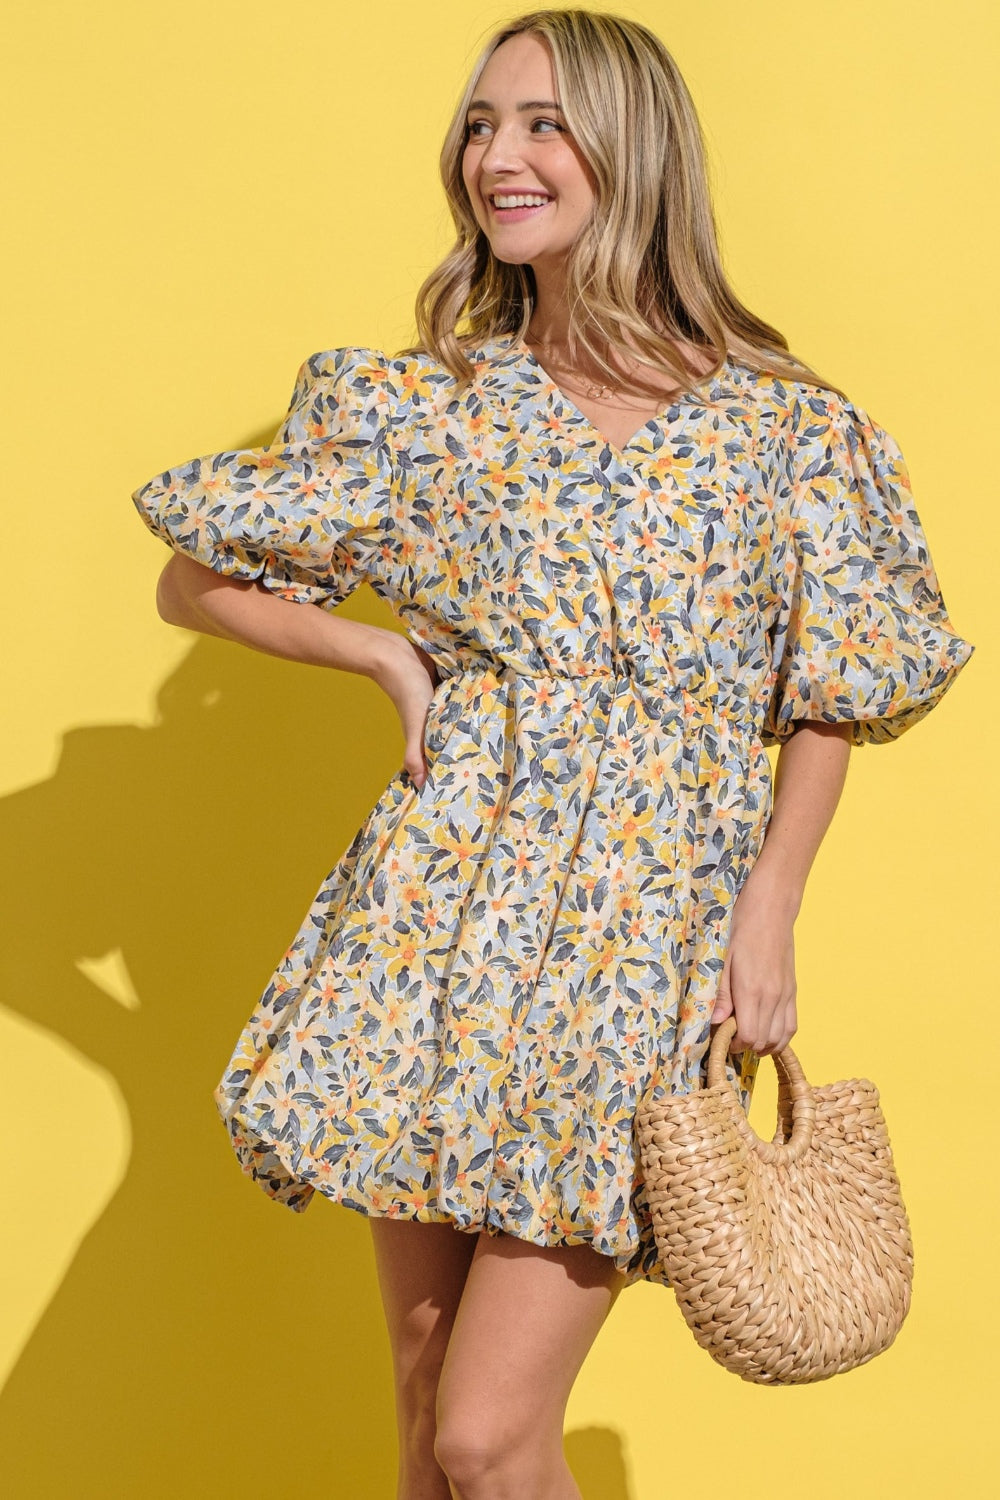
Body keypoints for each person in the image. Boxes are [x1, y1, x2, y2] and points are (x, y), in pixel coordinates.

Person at [131, 10, 974, 1498]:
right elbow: (193, 575)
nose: (496, 158)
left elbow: (837, 686)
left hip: (644, 936)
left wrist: (769, 907)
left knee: (488, 1434)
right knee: (418, 1421)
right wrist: (384, 652)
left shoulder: (787, 431)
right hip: (443, 922)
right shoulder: (431, 409)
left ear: (631, 148)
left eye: (538, 122)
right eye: (478, 123)